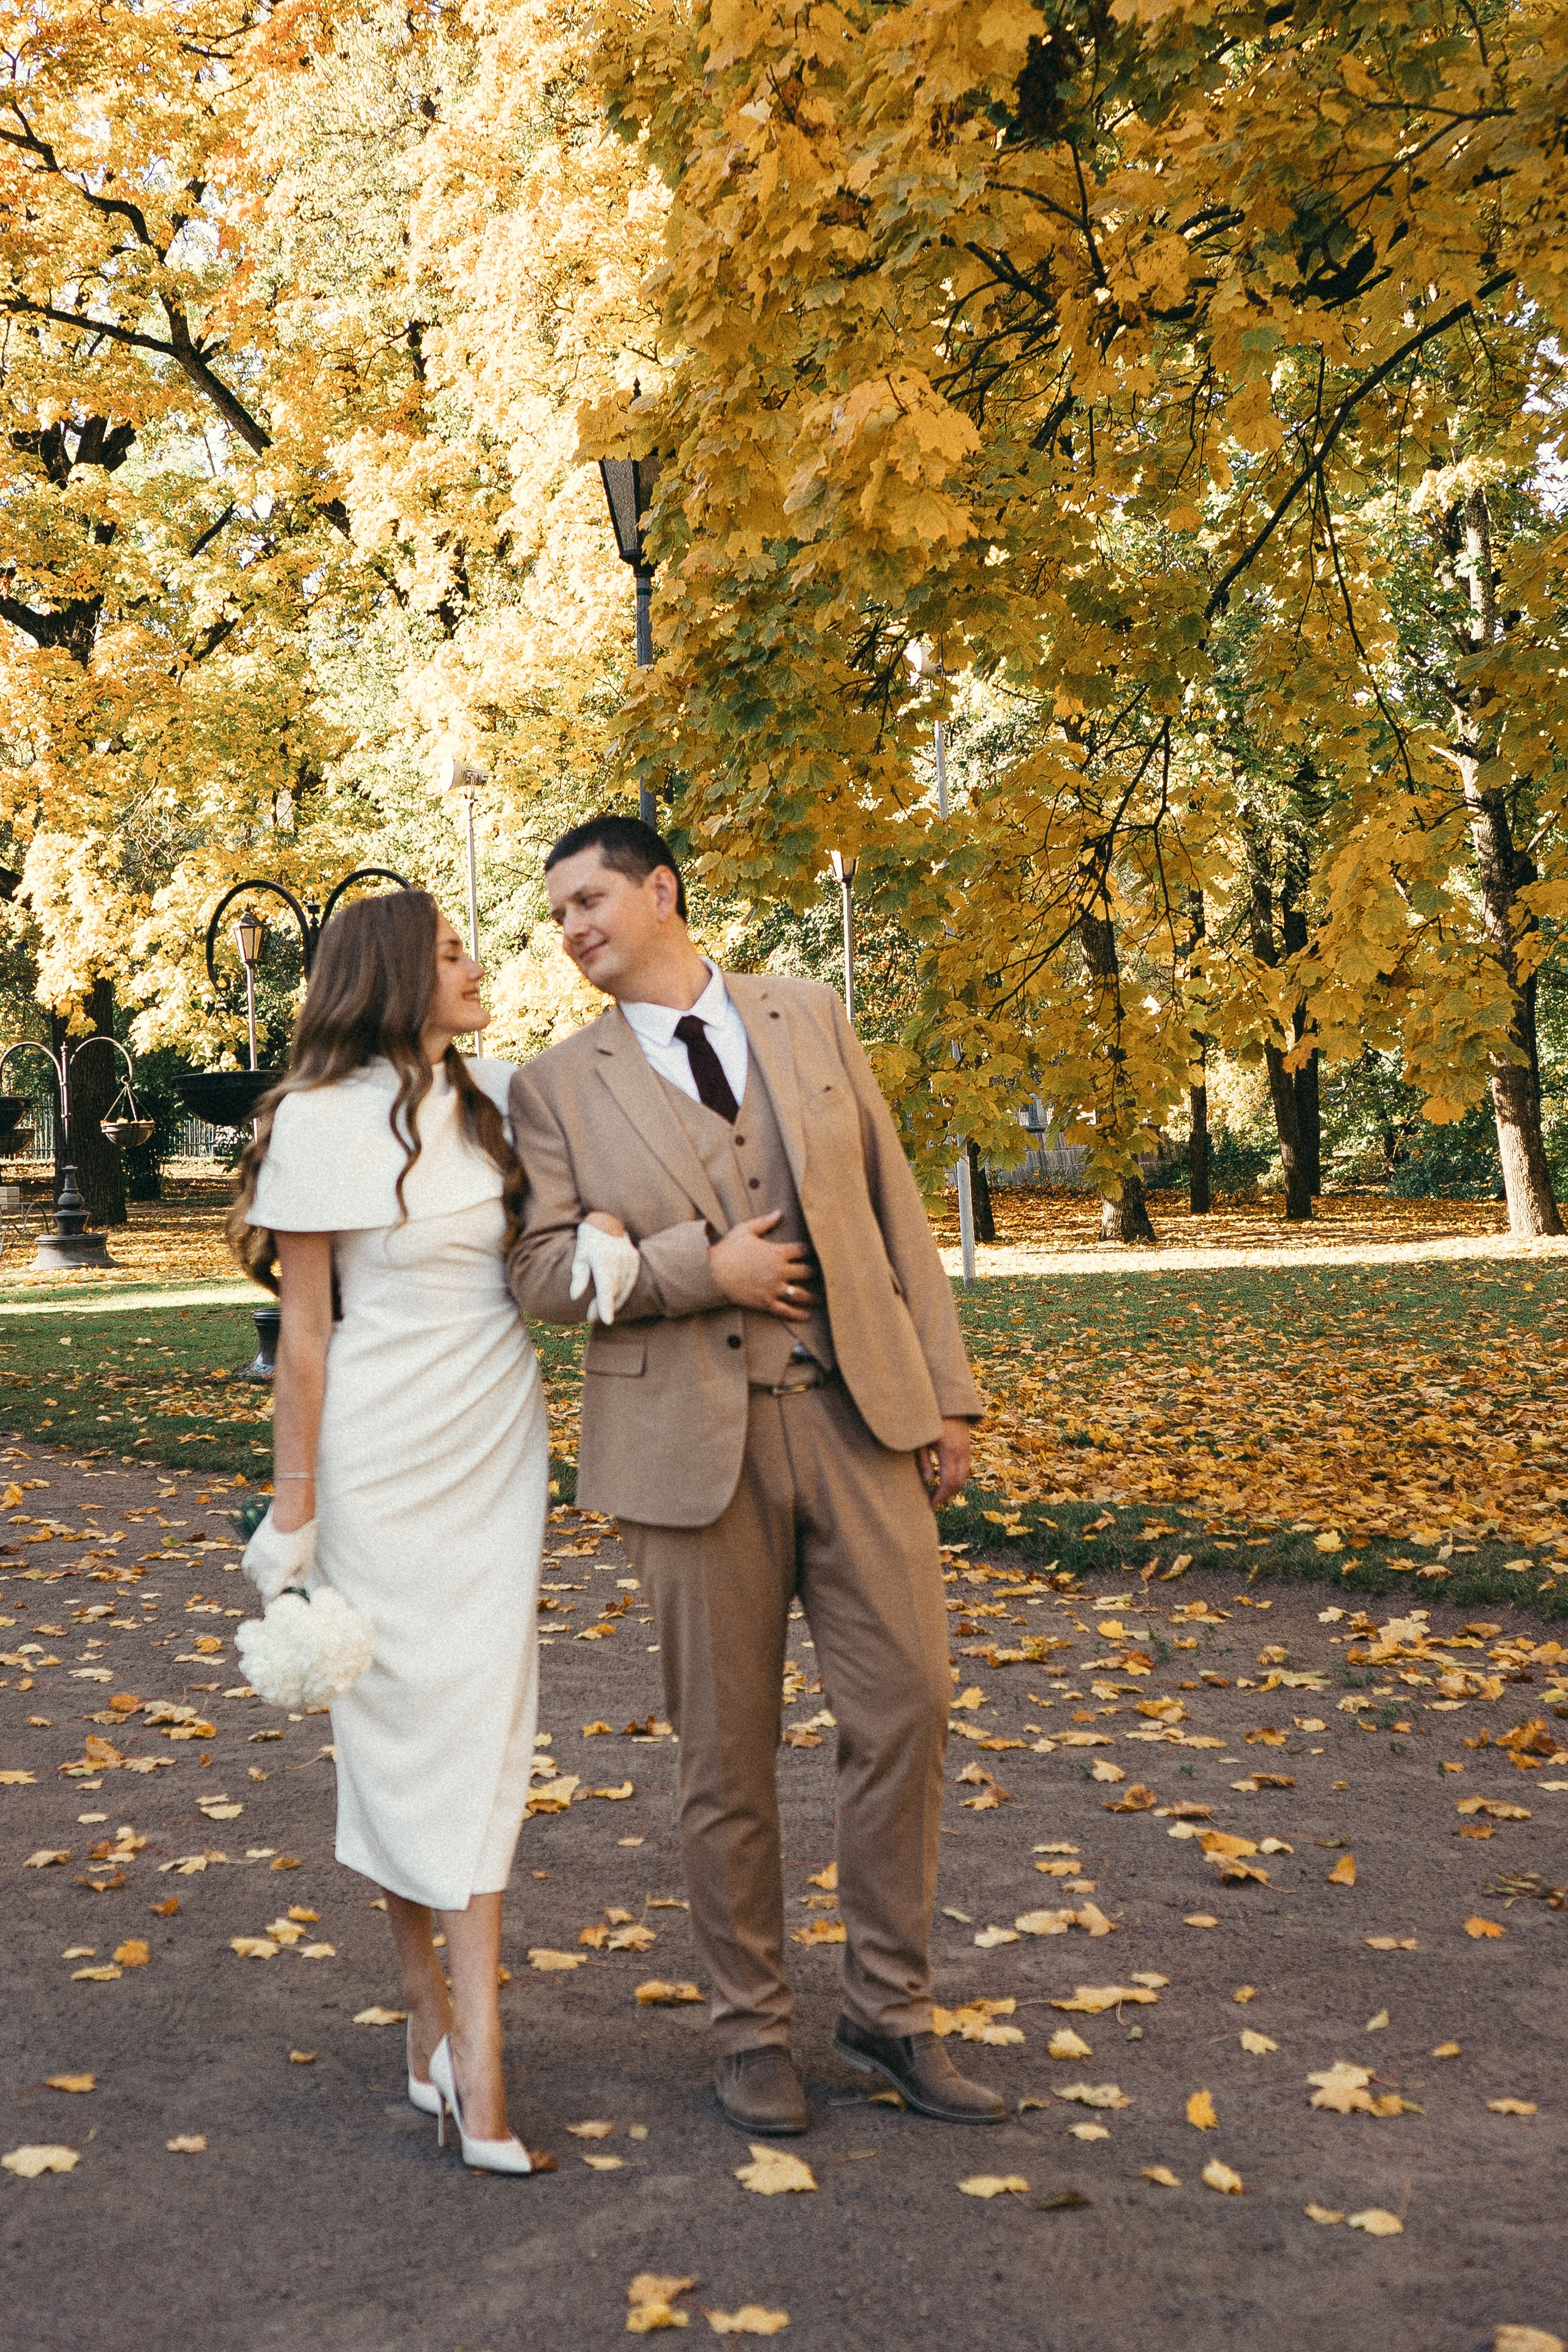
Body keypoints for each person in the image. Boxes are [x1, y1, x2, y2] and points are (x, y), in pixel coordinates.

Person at [507, 815, 1005, 2136]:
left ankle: (889, 2013)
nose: (570, 930)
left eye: (589, 900)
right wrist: (689, 1270)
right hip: (684, 1455)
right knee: (724, 1759)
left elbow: (894, 1209)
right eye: (555, 915)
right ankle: (748, 2033)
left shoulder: (806, 1015)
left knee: (907, 1706)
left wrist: (947, 1394)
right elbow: (542, 1275)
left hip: (856, 1418)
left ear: (661, 892)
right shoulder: (555, 1087)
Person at [228, 890, 557, 2176]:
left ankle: (478, 2047)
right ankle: (429, 2003)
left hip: (492, 1443)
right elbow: (304, 1334)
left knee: (481, 1722)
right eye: (452, 955)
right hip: (376, 1453)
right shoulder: (314, 1119)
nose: (477, 968)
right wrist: (294, 1509)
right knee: (392, 1723)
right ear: (388, 978)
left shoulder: (507, 1096)